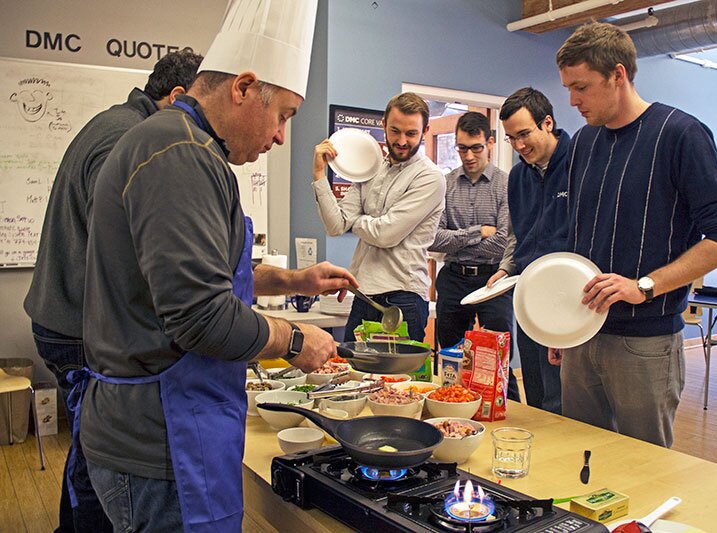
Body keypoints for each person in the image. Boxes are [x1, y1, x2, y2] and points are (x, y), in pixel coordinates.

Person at [76, 1, 357, 530]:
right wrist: (296, 341)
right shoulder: (181, 156)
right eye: (283, 116)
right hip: (161, 439)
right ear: (244, 87)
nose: (279, 137)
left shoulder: (179, 144)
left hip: (164, 426)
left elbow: (207, 272)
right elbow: (201, 316)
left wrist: (294, 279)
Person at [23, 48, 203, 533]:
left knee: (89, 446)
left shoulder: (114, 122)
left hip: (64, 318)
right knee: (99, 453)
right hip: (79, 326)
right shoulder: (132, 139)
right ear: (178, 96)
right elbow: (132, 252)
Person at [554, 22, 717, 447]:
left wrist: (646, 285)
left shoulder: (680, 134)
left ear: (617, 75)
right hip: (582, 335)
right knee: (579, 458)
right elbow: (578, 236)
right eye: (568, 87)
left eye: (581, 87)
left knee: (643, 469)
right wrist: (561, 324)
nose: (573, 100)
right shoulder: (584, 142)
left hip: (645, 343)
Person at [313, 92, 446, 342]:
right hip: (363, 295)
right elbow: (335, 225)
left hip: (403, 299)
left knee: (398, 381)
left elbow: (385, 235)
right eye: (395, 131)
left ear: (425, 130)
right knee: (355, 375)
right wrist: (319, 174)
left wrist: (358, 220)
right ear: (383, 124)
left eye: (411, 133)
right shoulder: (372, 168)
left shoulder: (430, 177)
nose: (402, 141)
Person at [486, 88, 571, 414]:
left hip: (566, 298)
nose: (519, 146)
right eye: (511, 138)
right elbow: (518, 233)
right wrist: (506, 268)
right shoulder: (518, 174)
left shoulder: (579, 162)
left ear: (547, 123)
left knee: (559, 394)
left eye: (524, 134)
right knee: (535, 388)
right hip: (528, 293)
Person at [428, 111, 520, 402]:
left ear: (490, 143)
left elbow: (502, 243)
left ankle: (510, 411)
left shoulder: (506, 184)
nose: (468, 155)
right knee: (450, 357)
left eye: (475, 147)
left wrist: (456, 241)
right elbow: (434, 239)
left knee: (499, 355)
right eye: (462, 148)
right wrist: (478, 231)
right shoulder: (445, 184)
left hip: (494, 279)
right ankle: (452, 410)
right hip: (454, 279)